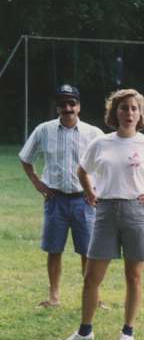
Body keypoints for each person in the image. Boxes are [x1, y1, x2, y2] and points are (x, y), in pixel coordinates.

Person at [59, 88, 144, 340]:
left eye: (134, 108)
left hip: (137, 214)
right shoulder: (101, 143)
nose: (129, 113)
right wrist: (91, 193)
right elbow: (83, 170)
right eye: (123, 108)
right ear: (115, 112)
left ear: (140, 114)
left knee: (133, 276)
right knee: (92, 276)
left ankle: (127, 331)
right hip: (105, 213)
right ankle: (85, 330)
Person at [19, 84, 103, 307]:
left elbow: (107, 164)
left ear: (79, 106)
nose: (67, 108)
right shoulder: (43, 130)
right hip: (55, 199)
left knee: (88, 251)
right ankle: (54, 297)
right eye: (63, 104)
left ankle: (93, 297)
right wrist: (38, 183)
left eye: (72, 103)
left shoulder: (94, 134)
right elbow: (26, 158)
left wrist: (96, 191)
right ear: (57, 107)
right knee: (54, 249)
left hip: (84, 201)